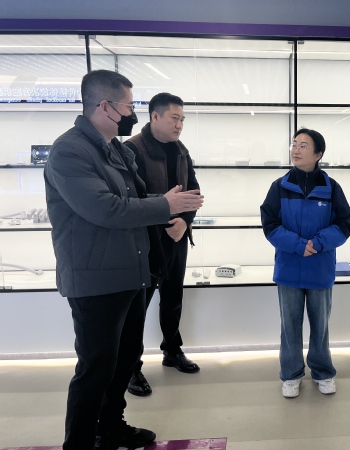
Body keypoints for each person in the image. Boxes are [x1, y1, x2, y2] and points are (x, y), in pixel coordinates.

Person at [44, 70, 204, 450]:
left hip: (133, 271)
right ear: (105, 106)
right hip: (96, 278)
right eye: (129, 106)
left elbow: (135, 199)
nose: (133, 113)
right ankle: (80, 442)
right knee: (96, 367)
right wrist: (165, 205)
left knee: (124, 359)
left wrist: (174, 209)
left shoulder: (114, 148)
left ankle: (111, 426)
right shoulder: (69, 151)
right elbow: (106, 209)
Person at [260, 128, 350, 398]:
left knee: (320, 326)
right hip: (289, 267)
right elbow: (270, 225)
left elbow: (344, 224)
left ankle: (323, 372)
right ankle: (291, 374)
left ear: (318, 154)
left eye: (303, 146)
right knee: (289, 326)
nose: (296, 150)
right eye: (294, 144)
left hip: (320, 268)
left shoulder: (331, 188)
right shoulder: (279, 186)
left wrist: (319, 243)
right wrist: (299, 245)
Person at [124, 92, 200, 398]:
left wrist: (185, 221)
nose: (179, 124)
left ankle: (172, 350)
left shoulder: (181, 150)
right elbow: (130, 199)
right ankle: (131, 366)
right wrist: (167, 215)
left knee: (173, 298)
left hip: (176, 238)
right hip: (145, 242)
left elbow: (194, 191)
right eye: (174, 118)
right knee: (137, 308)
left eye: (182, 119)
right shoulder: (132, 149)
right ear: (155, 116)